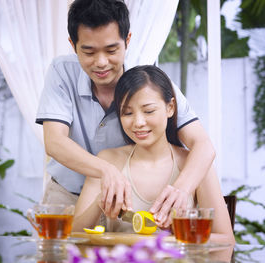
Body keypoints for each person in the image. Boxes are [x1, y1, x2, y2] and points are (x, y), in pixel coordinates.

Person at [36, 0, 215, 226]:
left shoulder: (147, 80)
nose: (101, 62)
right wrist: (106, 170)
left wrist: (181, 190)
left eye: (111, 50)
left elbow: (203, 145)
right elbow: (54, 142)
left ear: (127, 40)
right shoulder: (61, 72)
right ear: (73, 45)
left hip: (126, 205)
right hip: (66, 194)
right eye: (89, 51)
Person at [72, 65, 234, 246]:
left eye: (148, 111)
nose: (138, 122)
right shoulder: (108, 161)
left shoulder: (194, 164)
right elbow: (74, 236)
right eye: (127, 113)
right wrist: (98, 203)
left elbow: (225, 239)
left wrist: (176, 239)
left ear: (170, 107)